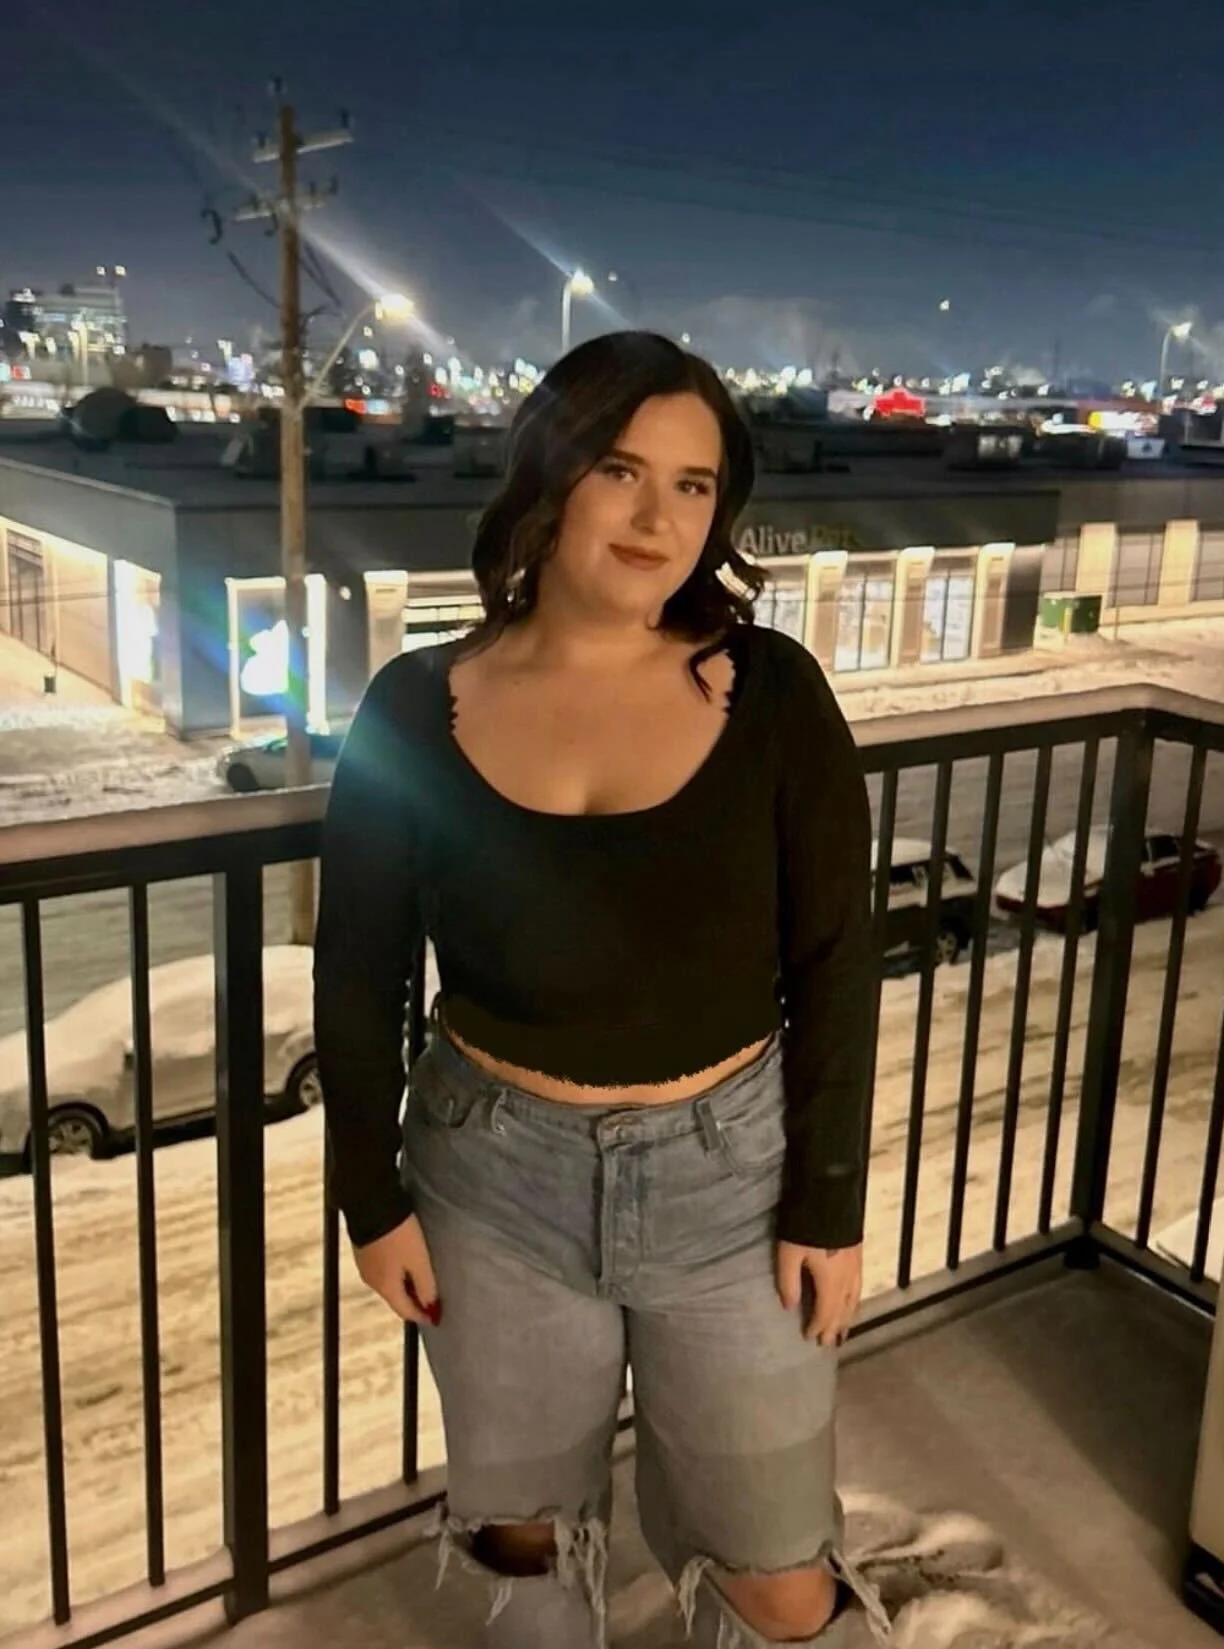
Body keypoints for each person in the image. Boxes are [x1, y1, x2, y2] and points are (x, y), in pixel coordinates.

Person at [313, 331, 889, 1648]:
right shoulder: (414, 706)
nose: (656, 517)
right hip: (488, 1184)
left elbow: (836, 960)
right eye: (622, 470)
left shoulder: (774, 694)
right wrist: (369, 1197)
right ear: (551, 474)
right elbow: (357, 968)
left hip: (733, 1186)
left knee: (780, 1573)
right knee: (527, 1558)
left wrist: (830, 1200)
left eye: (694, 485)